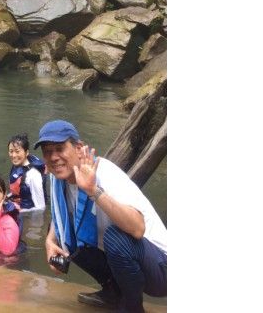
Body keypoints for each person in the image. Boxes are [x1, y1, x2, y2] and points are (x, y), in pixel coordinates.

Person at [36, 120, 166, 313]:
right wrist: (50, 241)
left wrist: (93, 190)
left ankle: (132, 308)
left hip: (162, 269)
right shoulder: (57, 180)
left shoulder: (105, 173)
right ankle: (113, 293)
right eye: (47, 151)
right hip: (131, 265)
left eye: (60, 148)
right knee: (69, 236)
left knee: (117, 237)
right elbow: (61, 217)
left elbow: (138, 229)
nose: (54, 157)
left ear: (78, 148)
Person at [7, 133, 46, 213]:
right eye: (11, 151)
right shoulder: (17, 165)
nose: (13, 155)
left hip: (28, 214)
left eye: (17, 151)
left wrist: (19, 211)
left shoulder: (33, 175)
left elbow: (41, 207)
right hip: (16, 204)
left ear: (26, 152)